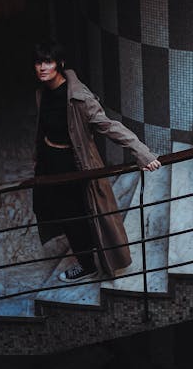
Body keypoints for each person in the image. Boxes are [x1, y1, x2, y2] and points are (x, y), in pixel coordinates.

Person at [32, 42, 161, 283]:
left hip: (75, 164)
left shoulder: (79, 98)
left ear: (60, 64)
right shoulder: (42, 92)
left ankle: (88, 265)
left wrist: (142, 152)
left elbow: (109, 126)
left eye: (48, 62)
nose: (42, 68)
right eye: (38, 62)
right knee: (59, 212)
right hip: (50, 163)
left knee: (80, 215)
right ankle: (85, 256)